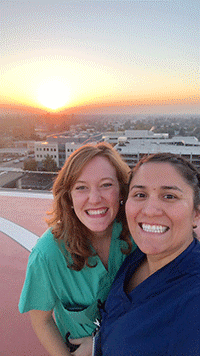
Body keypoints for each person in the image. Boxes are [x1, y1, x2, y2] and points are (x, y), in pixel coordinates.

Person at [19, 142, 136, 356]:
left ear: (121, 189)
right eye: (81, 187)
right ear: (69, 197)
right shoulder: (48, 254)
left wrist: (100, 343)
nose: (95, 198)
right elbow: (41, 319)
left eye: (106, 184)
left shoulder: (138, 234)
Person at [96, 152, 200, 356]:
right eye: (140, 195)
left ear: (196, 212)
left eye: (169, 196)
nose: (150, 210)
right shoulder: (136, 257)